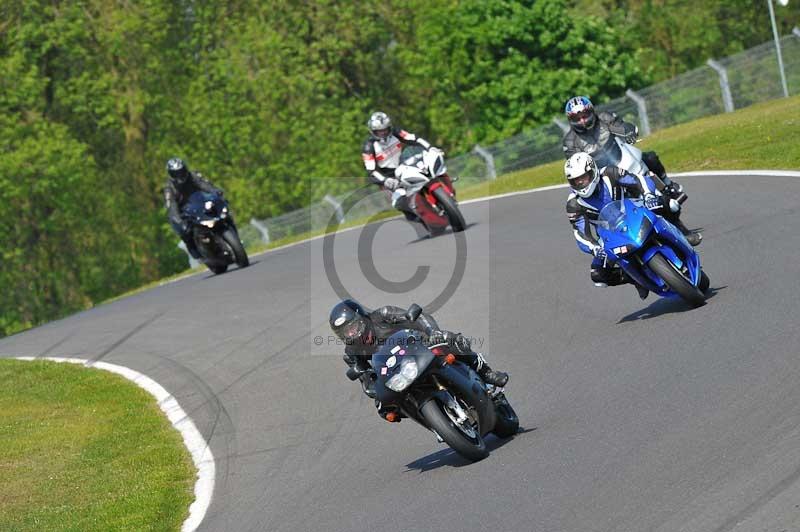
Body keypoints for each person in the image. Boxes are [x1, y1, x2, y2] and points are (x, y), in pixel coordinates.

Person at [329, 299, 508, 420]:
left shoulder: (382, 314)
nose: (352, 334)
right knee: (384, 408)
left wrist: (433, 333)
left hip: (421, 347)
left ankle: (487, 373)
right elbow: (367, 383)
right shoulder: (351, 352)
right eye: (346, 332)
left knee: (452, 340)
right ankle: (433, 420)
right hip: (400, 372)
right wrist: (376, 393)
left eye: (353, 327)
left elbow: (418, 316)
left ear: (362, 318)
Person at [564, 152, 700, 300]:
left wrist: (648, 195)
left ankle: (682, 236)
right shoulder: (574, 204)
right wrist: (595, 248)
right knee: (598, 275)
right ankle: (634, 279)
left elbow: (639, 180)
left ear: (593, 171)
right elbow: (580, 234)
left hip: (636, 210)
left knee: (668, 204)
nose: (580, 183)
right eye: (575, 181)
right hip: (611, 235)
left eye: (583, 178)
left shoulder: (610, 173)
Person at [562, 96, 685, 200]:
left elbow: (623, 126)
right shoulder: (570, 141)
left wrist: (629, 132)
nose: (582, 121)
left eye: (585, 115)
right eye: (577, 119)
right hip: (601, 175)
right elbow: (576, 167)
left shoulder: (604, 118)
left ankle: (668, 185)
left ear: (592, 112)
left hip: (622, 156)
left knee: (650, 157)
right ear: (570, 120)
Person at [361, 111, 438, 222]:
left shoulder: (396, 132)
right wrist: (385, 180)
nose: (383, 133)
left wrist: (430, 147)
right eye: (379, 131)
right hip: (390, 177)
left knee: (430, 171)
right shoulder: (368, 147)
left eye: (385, 129)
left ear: (389, 127)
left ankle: (444, 192)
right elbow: (371, 170)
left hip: (406, 165)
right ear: (372, 131)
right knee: (399, 201)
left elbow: (413, 138)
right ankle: (418, 217)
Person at [163, 157, 224, 259]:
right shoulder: (169, 188)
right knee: (184, 231)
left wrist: (215, 191)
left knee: (221, 211)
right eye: (176, 173)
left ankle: (226, 233)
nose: (180, 175)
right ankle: (197, 253)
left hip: (199, 204)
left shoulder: (193, 176)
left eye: (181, 171)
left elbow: (204, 184)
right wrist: (179, 220)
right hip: (183, 212)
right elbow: (172, 206)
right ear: (171, 174)